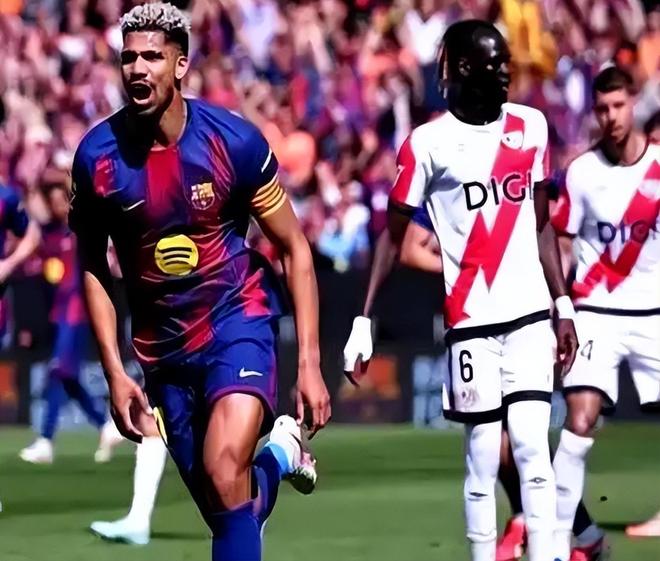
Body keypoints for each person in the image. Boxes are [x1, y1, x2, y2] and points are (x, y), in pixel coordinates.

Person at [69, 3, 331, 560]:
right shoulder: (96, 157)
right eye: (128, 58)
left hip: (237, 319)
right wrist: (114, 371)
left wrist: (309, 362)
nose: (138, 69)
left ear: (181, 64)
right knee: (228, 505)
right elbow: (91, 264)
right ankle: (280, 456)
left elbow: (294, 248)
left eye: (152, 57)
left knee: (224, 469)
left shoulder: (233, 141)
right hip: (163, 351)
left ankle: (271, 456)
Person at [345, 19, 577, 561]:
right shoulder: (427, 145)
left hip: (529, 315)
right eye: (495, 65)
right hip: (471, 322)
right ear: (465, 69)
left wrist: (562, 303)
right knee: (482, 453)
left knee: (532, 448)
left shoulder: (532, 127)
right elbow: (393, 235)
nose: (506, 74)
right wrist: (363, 319)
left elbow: (541, 223)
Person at [551, 66, 660, 560]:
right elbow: (561, 243)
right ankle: (559, 540)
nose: (611, 117)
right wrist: (559, 308)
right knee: (580, 420)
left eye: (618, 106)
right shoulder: (582, 173)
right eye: (602, 109)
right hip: (596, 310)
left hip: (653, 311)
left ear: (633, 103)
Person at [19, 184, 122, 464]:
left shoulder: (80, 232)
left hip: (76, 314)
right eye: (52, 201)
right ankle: (105, 425)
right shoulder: (54, 235)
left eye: (60, 201)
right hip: (60, 314)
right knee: (67, 376)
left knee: (58, 371)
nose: (56, 206)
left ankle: (46, 440)